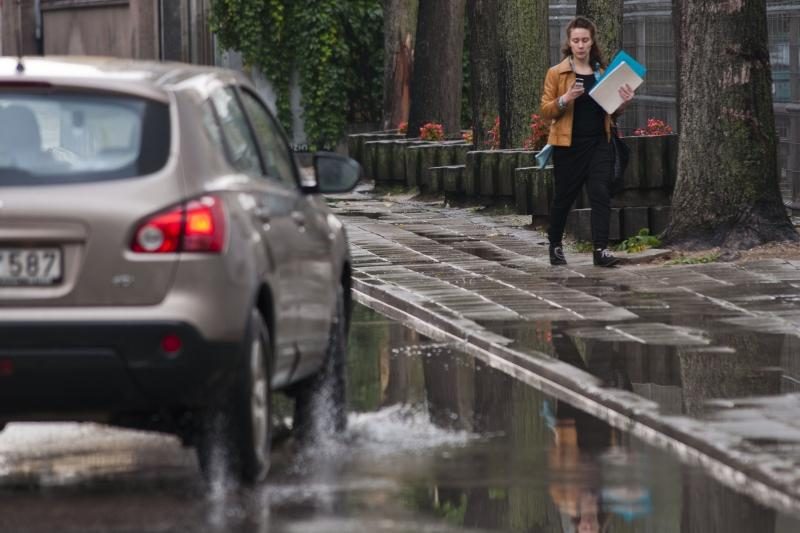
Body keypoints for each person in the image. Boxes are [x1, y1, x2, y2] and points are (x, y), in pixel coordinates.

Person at [540, 16, 635, 267]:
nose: (580, 45)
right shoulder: (556, 73)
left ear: (592, 42)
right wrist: (566, 98)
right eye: (576, 40)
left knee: (600, 194)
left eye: (585, 40)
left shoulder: (601, 73)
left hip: (598, 143)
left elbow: (611, 112)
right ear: (569, 44)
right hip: (568, 146)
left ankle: (600, 249)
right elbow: (546, 110)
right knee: (564, 197)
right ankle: (555, 245)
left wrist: (624, 100)